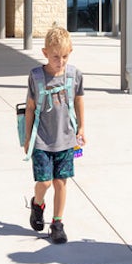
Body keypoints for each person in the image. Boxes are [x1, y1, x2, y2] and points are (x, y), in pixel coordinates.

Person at [23, 24, 85, 244]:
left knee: (61, 183)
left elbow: (78, 100)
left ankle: (57, 223)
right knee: (45, 183)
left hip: (66, 138)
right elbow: (30, 108)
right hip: (41, 139)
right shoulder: (37, 77)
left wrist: (82, 128)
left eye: (65, 56)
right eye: (56, 56)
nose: (61, 61)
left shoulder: (74, 75)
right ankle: (37, 203)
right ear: (45, 53)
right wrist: (28, 137)